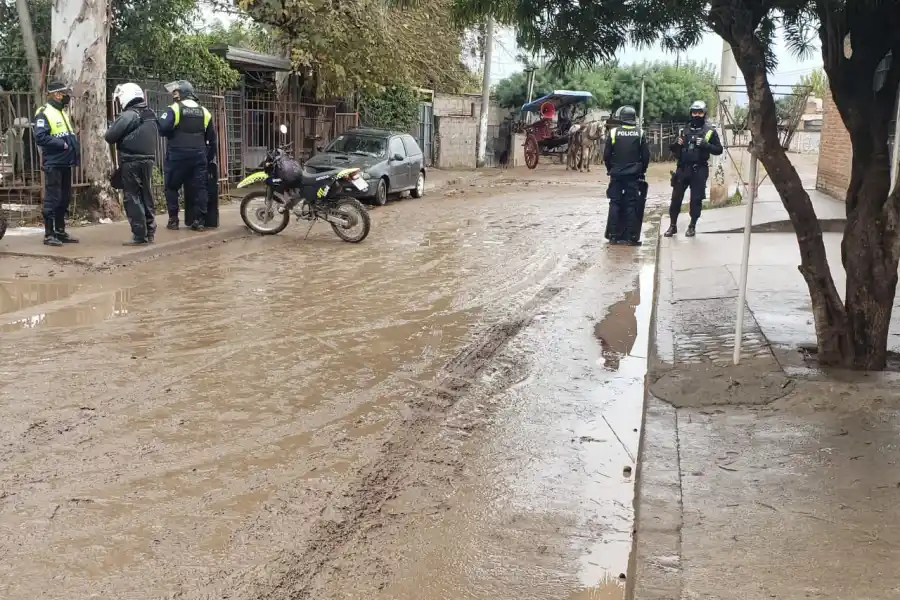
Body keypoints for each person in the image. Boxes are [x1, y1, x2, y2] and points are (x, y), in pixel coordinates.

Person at [158, 80, 217, 231]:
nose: (174, 95)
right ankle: (200, 221)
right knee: (200, 188)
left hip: (177, 156)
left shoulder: (174, 109)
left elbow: (163, 128)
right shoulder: (204, 111)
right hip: (199, 156)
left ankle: (173, 220)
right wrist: (208, 157)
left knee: (172, 187)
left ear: (183, 93)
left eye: (176, 92)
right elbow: (212, 138)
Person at [105, 82, 159, 245]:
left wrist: (111, 126)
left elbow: (110, 136)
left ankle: (139, 235)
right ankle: (149, 232)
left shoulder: (129, 114)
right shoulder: (149, 113)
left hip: (131, 161)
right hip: (147, 160)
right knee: (146, 195)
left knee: (132, 197)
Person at [664, 100, 723, 238]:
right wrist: (675, 144)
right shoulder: (683, 130)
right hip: (682, 169)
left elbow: (719, 150)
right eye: (694, 112)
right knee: (675, 199)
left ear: (704, 114)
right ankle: (672, 226)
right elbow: (672, 149)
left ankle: (692, 226)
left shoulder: (710, 131)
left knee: (696, 200)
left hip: (699, 170)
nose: (696, 115)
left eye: (699, 112)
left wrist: (705, 145)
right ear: (690, 113)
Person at [34, 81, 80, 247]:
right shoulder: (44, 112)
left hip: (65, 162)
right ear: (55, 94)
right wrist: (63, 144)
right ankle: (49, 234)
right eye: (63, 93)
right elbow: (40, 137)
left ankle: (60, 231)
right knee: (52, 198)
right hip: (54, 162)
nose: (65, 96)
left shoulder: (61, 112)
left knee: (64, 197)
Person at [603, 105, 650, 246]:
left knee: (615, 203)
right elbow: (646, 156)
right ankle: (631, 238)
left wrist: (610, 169)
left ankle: (612, 236)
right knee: (631, 204)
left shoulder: (613, 133)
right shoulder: (640, 133)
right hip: (633, 176)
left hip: (616, 174)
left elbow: (606, 155)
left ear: (621, 118)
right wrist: (642, 170)